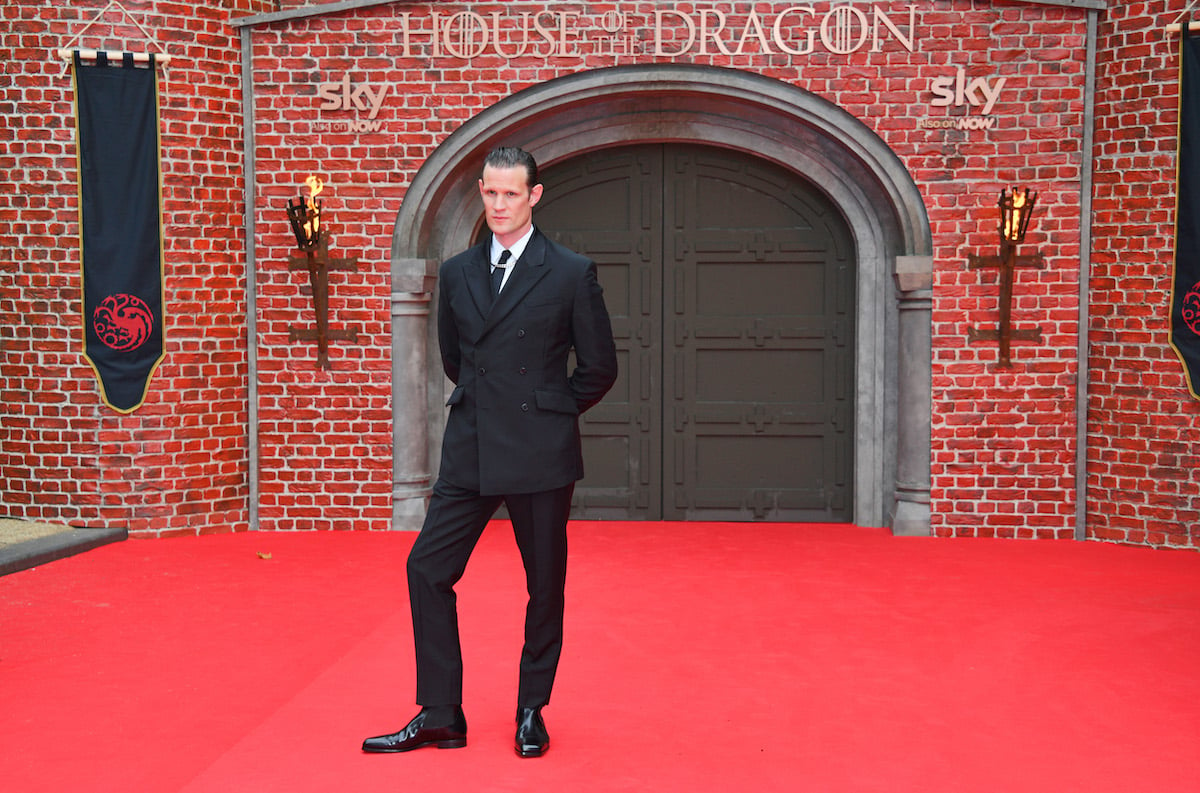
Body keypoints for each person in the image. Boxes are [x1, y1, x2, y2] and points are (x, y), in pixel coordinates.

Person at [362, 146, 618, 758]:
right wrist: (490, 402)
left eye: (511, 194)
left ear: (534, 196)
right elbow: (456, 358)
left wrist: (549, 414)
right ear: (481, 192)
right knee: (427, 568)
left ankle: (532, 708)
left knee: (544, 583)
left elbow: (600, 367)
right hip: (472, 444)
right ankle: (442, 713)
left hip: (539, 449)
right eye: (490, 193)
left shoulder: (569, 271)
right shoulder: (457, 272)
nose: (499, 205)